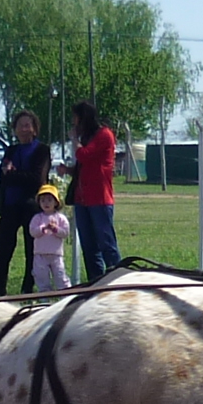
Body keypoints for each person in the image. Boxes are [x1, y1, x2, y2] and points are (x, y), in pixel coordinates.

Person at [0, 109, 50, 295]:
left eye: (27, 125)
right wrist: (11, 174)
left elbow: (36, 179)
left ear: (34, 129)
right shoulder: (12, 150)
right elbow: (2, 176)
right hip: (10, 206)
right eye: (20, 126)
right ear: (15, 129)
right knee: (3, 246)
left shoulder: (42, 150)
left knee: (32, 249)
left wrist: (13, 173)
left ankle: (27, 288)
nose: (24, 129)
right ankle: (0, 289)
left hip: (31, 206)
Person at [69, 100, 121, 282]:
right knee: (89, 246)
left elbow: (84, 155)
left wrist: (74, 140)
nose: (74, 122)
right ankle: (96, 282)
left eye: (76, 117)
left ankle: (117, 279)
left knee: (106, 242)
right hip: (82, 198)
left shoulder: (104, 135)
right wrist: (68, 170)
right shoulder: (87, 138)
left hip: (99, 198)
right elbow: (84, 164)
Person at [26, 184, 73, 292]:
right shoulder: (37, 218)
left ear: (56, 202)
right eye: (43, 200)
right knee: (41, 277)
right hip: (40, 254)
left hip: (56, 254)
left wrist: (55, 229)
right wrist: (43, 228)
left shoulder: (61, 218)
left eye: (49, 200)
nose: (46, 203)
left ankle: (66, 295)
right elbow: (33, 232)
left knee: (60, 276)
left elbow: (65, 233)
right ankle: (44, 297)